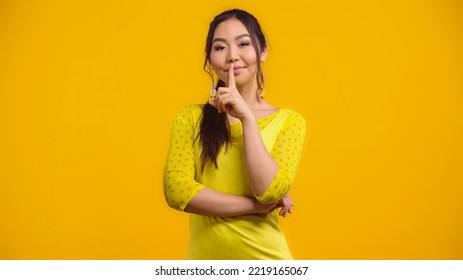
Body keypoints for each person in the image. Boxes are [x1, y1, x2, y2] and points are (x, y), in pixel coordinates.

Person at [163, 8, 306, 259]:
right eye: (220, 47)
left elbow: (269, 191)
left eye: (243, 43)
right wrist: (256, 206)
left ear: (262, 51)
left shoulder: (289, 122)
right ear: (210, 58)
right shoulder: (190, 118)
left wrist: (247, 119)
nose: (232, 56)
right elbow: (177, 191)